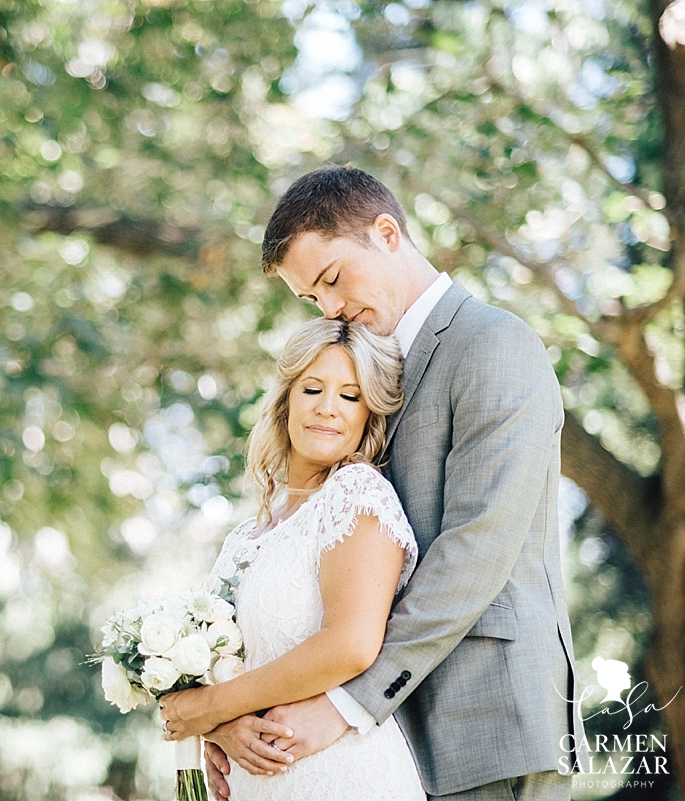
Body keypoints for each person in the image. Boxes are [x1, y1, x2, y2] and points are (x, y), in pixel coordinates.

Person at [202, 166, 584, 801]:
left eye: (331, 280)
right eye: (312, 300)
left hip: (488, 720)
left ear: (385, 233)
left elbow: (476, 547)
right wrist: (231, 723)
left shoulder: (494, 343)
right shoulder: (368, 371)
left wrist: (345, 704)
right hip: (388, 748)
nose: (331, 308)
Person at [158, 317, 425, 801]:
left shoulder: (356, 494)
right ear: (285, 399)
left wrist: (213, 706)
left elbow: (351, 645)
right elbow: (235, 664)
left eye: (350, 395)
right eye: (313, 388)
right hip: (253, 781)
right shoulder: (245, 535)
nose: (328, 409)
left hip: (341, 774)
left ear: (370, 413)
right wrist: (219, 728)